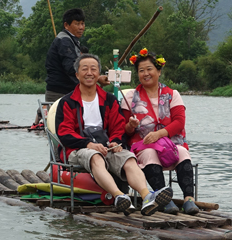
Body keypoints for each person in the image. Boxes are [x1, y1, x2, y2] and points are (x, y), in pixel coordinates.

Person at [53, 53, 172, 216]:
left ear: (98, 74)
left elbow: (118, 127)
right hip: (78, 149)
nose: (89, 72)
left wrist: (115, 142)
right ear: (77, 74)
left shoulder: (108, 99)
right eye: (85, 69)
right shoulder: (67, 102)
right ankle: (119, 196)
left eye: (93, 69)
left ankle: (147, 197)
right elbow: (64, 133)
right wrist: (88, 144)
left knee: (128, 158)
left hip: (105, 146)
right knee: (95, 156)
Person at [121, 49, 199, 215]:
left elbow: (179, 122)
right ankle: (164, 199)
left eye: (149, 69)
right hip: (143, 146)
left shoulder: (173, 95)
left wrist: (158, 134)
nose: (146, 73)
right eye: (141, 71)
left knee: (183, 152)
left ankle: (188, 199)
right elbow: (124, 130)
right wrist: (131, 125)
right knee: (150, 153)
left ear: (159, 71)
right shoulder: (129, 98)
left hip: (170, 144)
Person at [32, 8, 107, 129]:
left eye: (82, 23)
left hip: (66, 92)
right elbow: (71, 68)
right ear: (66, 25)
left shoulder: (71, 40)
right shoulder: (65, 41)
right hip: (59, 93)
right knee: (60, 130)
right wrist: (96, 78)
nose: (81, 27)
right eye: (77, 24)